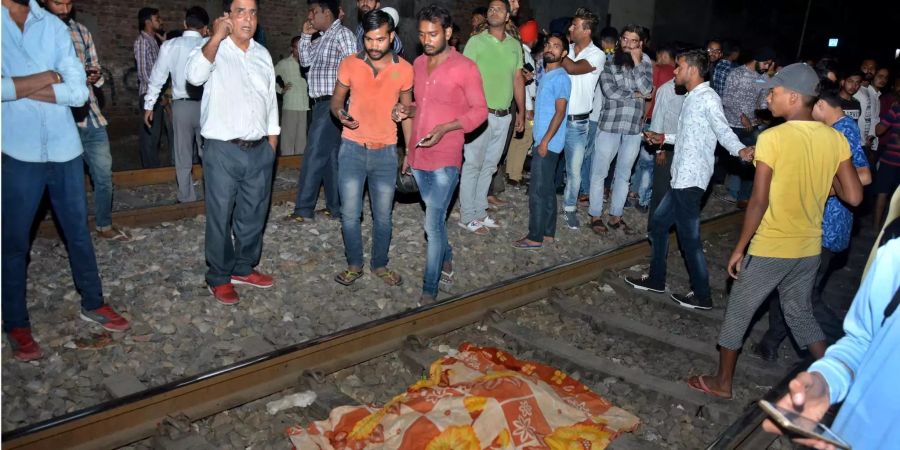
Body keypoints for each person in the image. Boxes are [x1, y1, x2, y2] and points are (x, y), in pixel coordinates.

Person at [687, 63, 864, 399]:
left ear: (794, 98)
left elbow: (758, 201)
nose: (768, 97)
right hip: (809, 247)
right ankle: (837, 380)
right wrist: (822, 185)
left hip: (772, 245)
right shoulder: (834, 137)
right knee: (799, 313)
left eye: (774, 91)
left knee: (738, 313)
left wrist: (740, 247)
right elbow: (854, 195)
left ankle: (723, 382)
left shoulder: (772, 137)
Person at [2, 0, 131, 362]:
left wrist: (16, 86)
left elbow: (77, 94)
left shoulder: (55, 27)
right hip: (19, 152)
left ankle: (94, 302)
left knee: (78, 233)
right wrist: (48, 76)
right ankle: (15, 323)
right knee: (13, 244)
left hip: (65, 150)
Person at [753, 81, 872, 360]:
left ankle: (845, 346)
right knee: (790, 290)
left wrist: (819, 186)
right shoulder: (833, 131)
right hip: (816, 225)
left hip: (825, 227)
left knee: (804, 297)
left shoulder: (843, 131)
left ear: (819, 105)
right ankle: (772, 342)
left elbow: (864, 175)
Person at [627, 49, 752, 309]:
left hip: (692, 178)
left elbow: (722, 130)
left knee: (690, 239)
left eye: (679, 67)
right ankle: (656, 279)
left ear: (693, 70)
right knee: (659, 225)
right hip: (681, 177)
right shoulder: (693, 97)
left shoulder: (707, 98)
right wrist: (663, 138)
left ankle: (702, 294)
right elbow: (689, 135)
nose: (674, 71)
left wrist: (740, 149)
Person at [761, 225, 900, 450]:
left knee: (798, 301)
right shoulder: (895, 252)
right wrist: (827, 380)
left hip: (811, 240)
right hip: (851, 439)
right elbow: (864, 340)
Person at [185, 0, 280, 305]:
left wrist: (272, 142)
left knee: (254, 214)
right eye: (240, 11)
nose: (247, 19)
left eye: (253, 12)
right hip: (223, 149)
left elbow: (270, 101)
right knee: (220, 216)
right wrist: (214, 37)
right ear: (227, 16)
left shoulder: (262, 54)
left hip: (258, 149)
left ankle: (243, 267)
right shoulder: (211, 49)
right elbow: (194, 77)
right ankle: (219, 276)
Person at [392, 4, 487, 305]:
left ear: (447, 32)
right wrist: (406, 110)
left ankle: (429, 290)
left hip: (447, 157)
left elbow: (480, 112)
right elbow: (423, 104)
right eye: (422, 35)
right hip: (420, 156)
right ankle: (447, 255)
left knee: (431, 224)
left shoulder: (465, 68)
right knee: (434, 219)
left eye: (433, 34)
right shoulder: (418, 64)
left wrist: (447, 127)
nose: (427, 40)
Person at [330, 10, 412, 287]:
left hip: (386, 151)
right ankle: (354, 264)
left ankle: (380, 264)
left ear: (391, 36)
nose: (374, 46)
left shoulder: (404, 69)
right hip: (352, 148)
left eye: (380, 39)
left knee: (383, 216)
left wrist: (410, 149)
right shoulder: (350, 63)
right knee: (350, 214)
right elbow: (336, 102)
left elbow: (407, 109)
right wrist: (341, 115)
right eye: (368, 39)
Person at [43, 0, 129, 240]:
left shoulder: (82, 31)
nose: (64, 9)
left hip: (90, 114)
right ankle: (71, 231)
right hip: (58, 117)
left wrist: (95, 74)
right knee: (64, 181)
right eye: (58, 3)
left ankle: (104, 224)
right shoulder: (38, 33)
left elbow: (95, 67)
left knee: (103, 175)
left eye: (68, 3)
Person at [458, 0, 524, 234]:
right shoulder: (476, 42)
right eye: (490, 8)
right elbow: (463, 78)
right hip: (480, 114)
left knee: (490, 166)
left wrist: (522, 113)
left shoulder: (515, 45)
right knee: (473, 165)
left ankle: (479, 210)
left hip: (504, 115)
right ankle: (466, 215)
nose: (493, 11)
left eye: (499, 9)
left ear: (508, 16)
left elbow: (517, 79)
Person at [286, 0, 355, 223]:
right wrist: (305, 36)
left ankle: (303, 209)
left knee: (314, 154)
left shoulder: (342, 35)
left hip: (333, 103)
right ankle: (336, 208)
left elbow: (354, 67)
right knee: (329, 157)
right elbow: (304, 63)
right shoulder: (322, 38)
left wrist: (348, 104)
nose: (310, 17)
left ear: (327, 13)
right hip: (319, 104)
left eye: (313, 12)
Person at [587, 24, 652, 234]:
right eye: (625, 39)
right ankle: (595, 215)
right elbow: (609, 91)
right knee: (600, 172)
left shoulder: (646, 62)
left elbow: (647, 90)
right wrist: (635, 95)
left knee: (624, 174)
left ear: (640, 43)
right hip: (610, 124)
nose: (627, 44)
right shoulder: (608, 61)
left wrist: (636, 61)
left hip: (633, 128)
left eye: (633, 41)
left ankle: (616, 216)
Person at [144, 6, 209, 204]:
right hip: (207, 106)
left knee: (182, 154)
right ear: (205, 27)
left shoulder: (170, 46)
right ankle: (212, 194)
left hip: (181, 106)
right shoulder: (210, 44)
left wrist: (149, 105)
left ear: (184, 24)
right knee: (209, 153)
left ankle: (186, 196)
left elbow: (157, 77)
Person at [512, 33, 570, 250]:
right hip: (546, 140)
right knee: (546, 189)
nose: (550, 49)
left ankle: (534, 236)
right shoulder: (547, 74)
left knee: (537, 190)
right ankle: (547, 233)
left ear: (563, 53)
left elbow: (560, 112)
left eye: (556, 46)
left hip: (549, 142)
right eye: (548, 45)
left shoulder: (561, 77)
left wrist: (545, 141)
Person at [559, 7, 603, 230]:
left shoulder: (597, 54)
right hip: (556, 118)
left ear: (586, 30)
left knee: (574, 170)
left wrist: (559, 53)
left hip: (578, 122)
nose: (570, 28)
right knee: (547, 162)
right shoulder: (565, 49)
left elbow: (575, 69)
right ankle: (543, 204)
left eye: (575, 25)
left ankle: (569, 209)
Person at [720, 47, 775, 208]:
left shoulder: (763, 77)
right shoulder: (736, 74)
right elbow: (727, 100)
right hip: (733, 124)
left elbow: (763, 100)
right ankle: (733, 193)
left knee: (754, 160)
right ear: (756, 59)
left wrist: (769, 107)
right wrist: (741, 116)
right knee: (737, 160)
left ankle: (743, 198)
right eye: (765, 63)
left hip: (753, 125)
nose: (766, 67)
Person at [628, 43, 676, 211]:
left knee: (643, 162)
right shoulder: (678, 75)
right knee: (648, 163)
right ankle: (639, 195)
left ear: (662, 54)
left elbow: (650, 95)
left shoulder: (659, 70)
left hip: (651, 121)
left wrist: (642, 116)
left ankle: (641, 198)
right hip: (668, 126)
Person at [503, 18, 537, 188]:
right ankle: (515, 174)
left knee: (517, 138)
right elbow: (524, 86)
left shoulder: (520, 52)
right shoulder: (527, 56)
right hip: (525, 104)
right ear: (534, 38)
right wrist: (529, 108)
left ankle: (511, 171)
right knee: (524, 139)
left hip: (519, 103)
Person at [644, 78, 684, 220]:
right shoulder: (667, 89)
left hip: (684, 148)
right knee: (661, 191)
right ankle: (654, 230)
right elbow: (657, 119)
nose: (676, 72)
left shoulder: (695, 92)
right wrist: (659, 150)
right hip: (666, 147)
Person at [134, 6, 165, 168]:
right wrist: (153, 95)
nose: (160, 21)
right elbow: (144, 74)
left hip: (155, 95)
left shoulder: (154, 41)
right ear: (147, 22)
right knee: (149, 136)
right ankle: (149, 170)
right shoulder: (141, 42)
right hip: (148, 94)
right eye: (156, 19)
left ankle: (153, 168)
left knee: (154, 136)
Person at [274, 36, 310, 155]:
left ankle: (299, 164)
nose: (299, 51)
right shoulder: (284, 63)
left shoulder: (308, 63)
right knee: (288, 138)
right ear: (292, 48)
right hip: (290, 104)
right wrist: (280, 89)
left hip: (305, 106)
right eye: (296, 48)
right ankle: (286, 165)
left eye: (302, 48)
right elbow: (269, 78)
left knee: (302, 138)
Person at [873, 102, 900, 229]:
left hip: (889, 160)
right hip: (890, 160)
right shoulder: (896, 109)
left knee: (882, 194)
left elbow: (879, 130)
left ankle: (877, 228)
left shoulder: (896, 109)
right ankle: (888, 230)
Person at [854, 59, 880, 153]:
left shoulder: (873, 93)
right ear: (860, 68)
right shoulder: (854, 89)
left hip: (866, 145)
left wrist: (871, 136)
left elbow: (873, 118)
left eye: (872, 68)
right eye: (865, 67)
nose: (869, 70)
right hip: (854, 144)